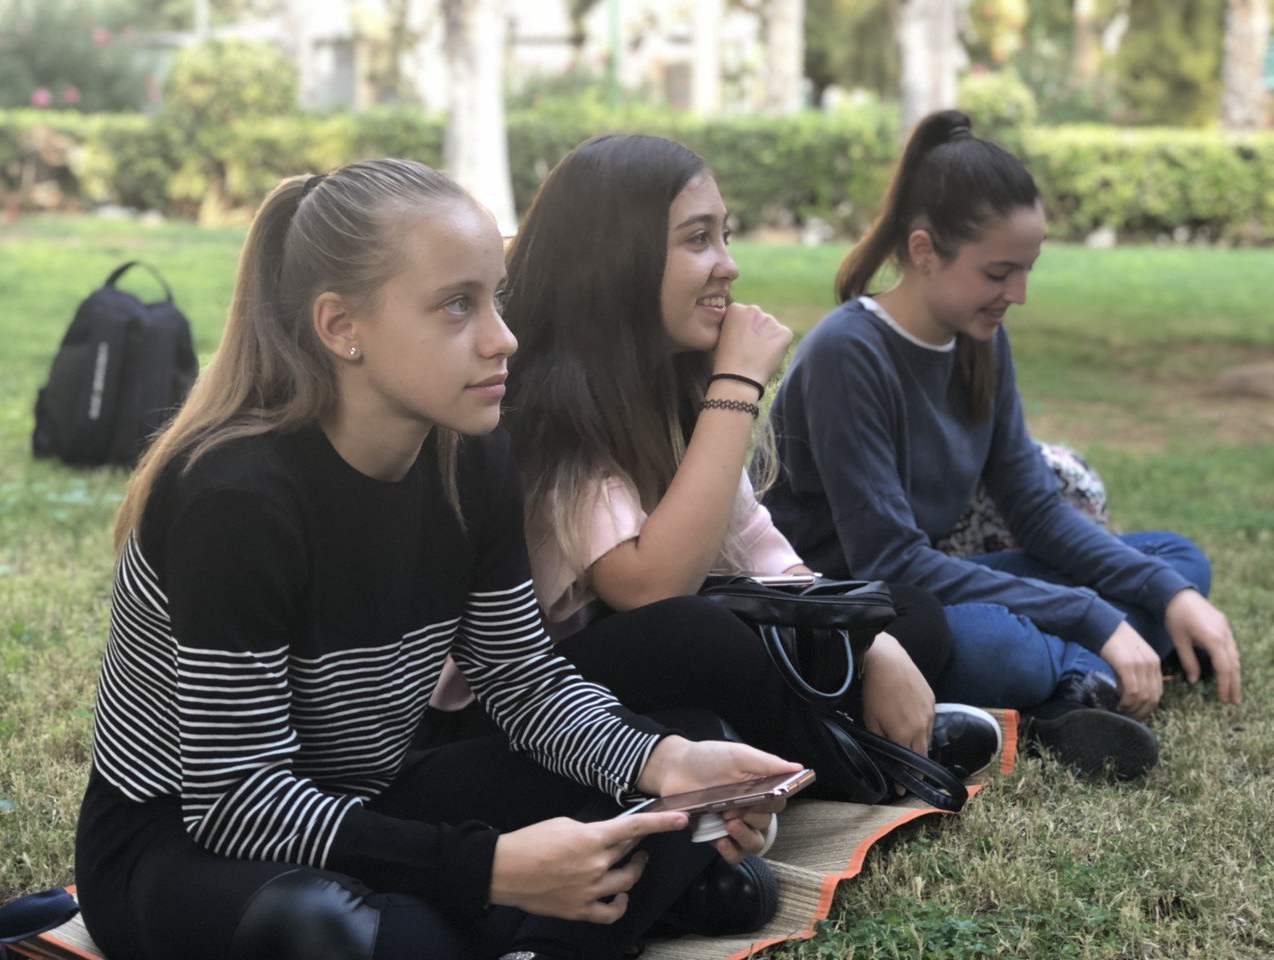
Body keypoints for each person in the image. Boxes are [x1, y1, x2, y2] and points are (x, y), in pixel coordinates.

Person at [74, 159, 804, 960]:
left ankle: (531, 923)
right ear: (340, 327)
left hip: (369, 800)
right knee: (323, 928)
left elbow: (523, 683)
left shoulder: (471, 456)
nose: (503, 338)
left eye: (497, 298)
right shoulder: (235, 499)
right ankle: (552, 919)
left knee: (683, 757)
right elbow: (234, 800)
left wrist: (669, 762)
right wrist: (487, 869)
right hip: (183, 844)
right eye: (458, 305)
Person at [430, 133, 1002, 791]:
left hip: (631, 679)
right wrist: (735, 387)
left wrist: (872, 640)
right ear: (617, 258)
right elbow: (648, 588)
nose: (728, 265)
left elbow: (759, 550)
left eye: (724, 237)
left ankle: (771, 750)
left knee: (906, 613)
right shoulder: (545, 408)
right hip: (523, 711)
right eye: (698, 239)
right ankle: (855, 762)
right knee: (694, 632)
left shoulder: (668, 386)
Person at [763, 110, 1242, 780]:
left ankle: (1073, 688)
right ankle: (1085, 674)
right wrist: (1092, 617)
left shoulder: (980, 338)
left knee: (1175, 563)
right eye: (998, 272)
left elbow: (1037, 512)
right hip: (866, 618)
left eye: (1027, 270)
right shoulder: (847, 353)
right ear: (924, 250)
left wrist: (1165, 592)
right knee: (1002, 649)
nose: (1017, 294)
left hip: (932, 579)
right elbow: (891, 562)